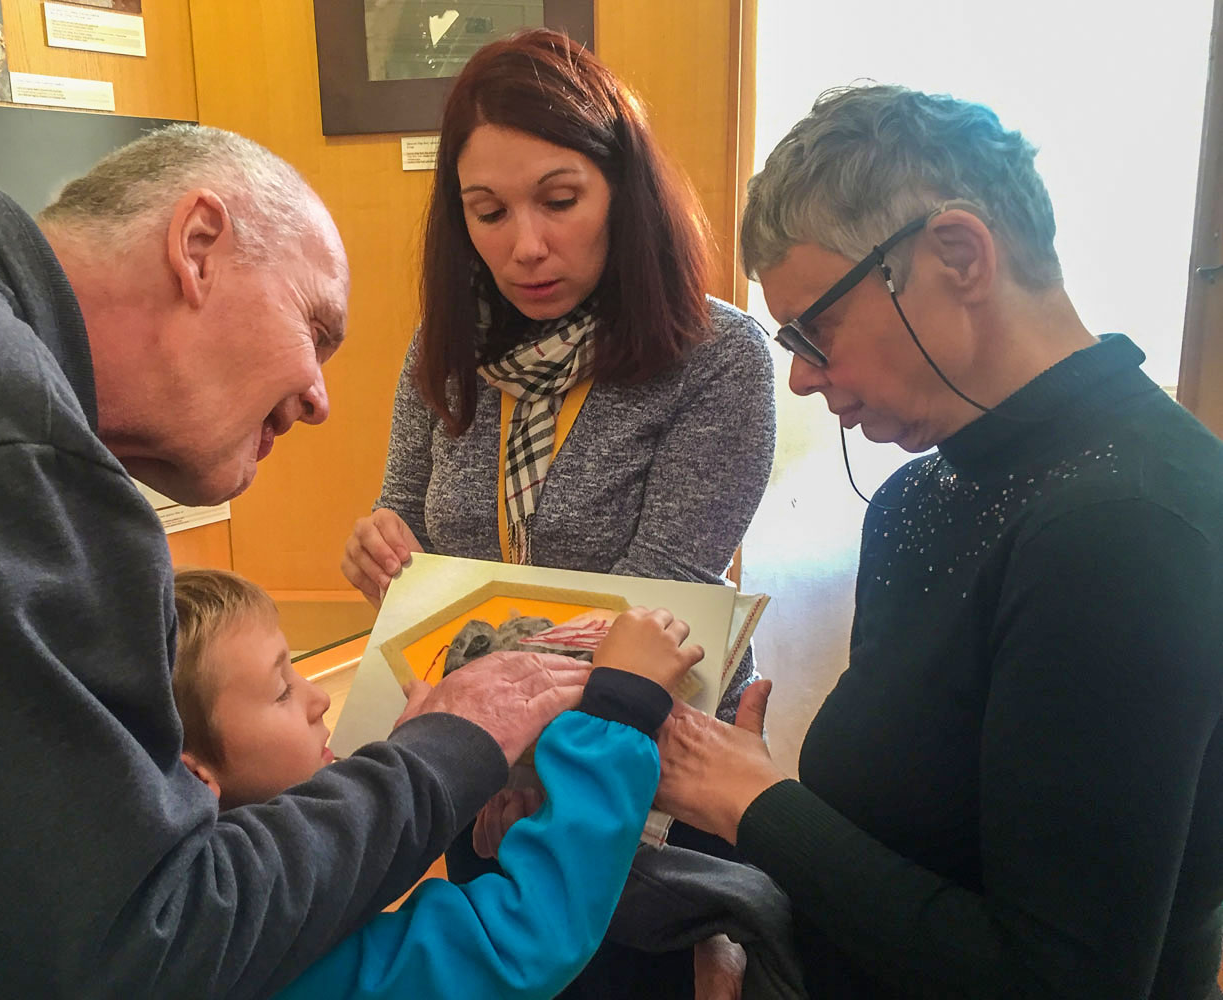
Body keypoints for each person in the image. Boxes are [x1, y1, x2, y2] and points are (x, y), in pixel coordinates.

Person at [0, 125, 602, 998]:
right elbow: (150, 949)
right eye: (315, 328)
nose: (319, 400)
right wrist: (456, 744)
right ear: (199, 247)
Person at [649, 84, 1223, 999]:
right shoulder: (924, 489)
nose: (800, 377)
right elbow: (898, 848)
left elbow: (1059, 979)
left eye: (818, 328)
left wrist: (758, 807)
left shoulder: (1131, 525)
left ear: (958, 255)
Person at [339, 28, 780, 997]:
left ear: (624, 192)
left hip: (642, 754)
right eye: (487, 212)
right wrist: (380, 545)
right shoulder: (444, 347)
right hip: (479, 748)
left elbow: (662, 600)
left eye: (560, 200)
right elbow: (407, 520)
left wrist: (526, 764)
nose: (524, 245)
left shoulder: (718, 356)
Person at [168, 567, 702, 998]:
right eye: (282, 690)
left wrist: (415, 788)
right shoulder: (242, 950)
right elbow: (519, 945)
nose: (319, 698)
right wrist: (621, 715)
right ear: (197, 773)